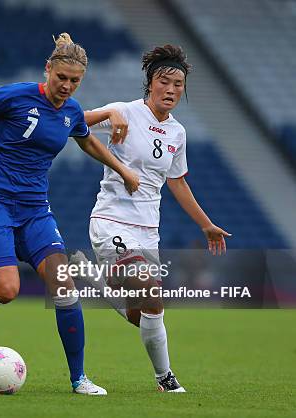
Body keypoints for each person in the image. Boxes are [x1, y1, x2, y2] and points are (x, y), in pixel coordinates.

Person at [0, 33, 140, 395]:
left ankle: (79, 378)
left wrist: (123, 170)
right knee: (7, 290)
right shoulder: (15, 96)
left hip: (35, 208)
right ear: (47, 69)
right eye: (61, 77)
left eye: (74, 81)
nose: (66, 86)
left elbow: (86, 138)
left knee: (63, 285)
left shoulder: (71, 112)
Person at [82, 44, 231, 392]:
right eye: (165, 81)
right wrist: (108, 117)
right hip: (111, 222)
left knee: (146, 312)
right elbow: (71, 120)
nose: (172, 89)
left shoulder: (177, 133)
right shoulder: (125, 112)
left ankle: (105, 288)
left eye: (178, 83)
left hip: (149, 231)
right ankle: (165, 378)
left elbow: (176, 182)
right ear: (150, 83)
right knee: (150, 287)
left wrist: (205, 224)